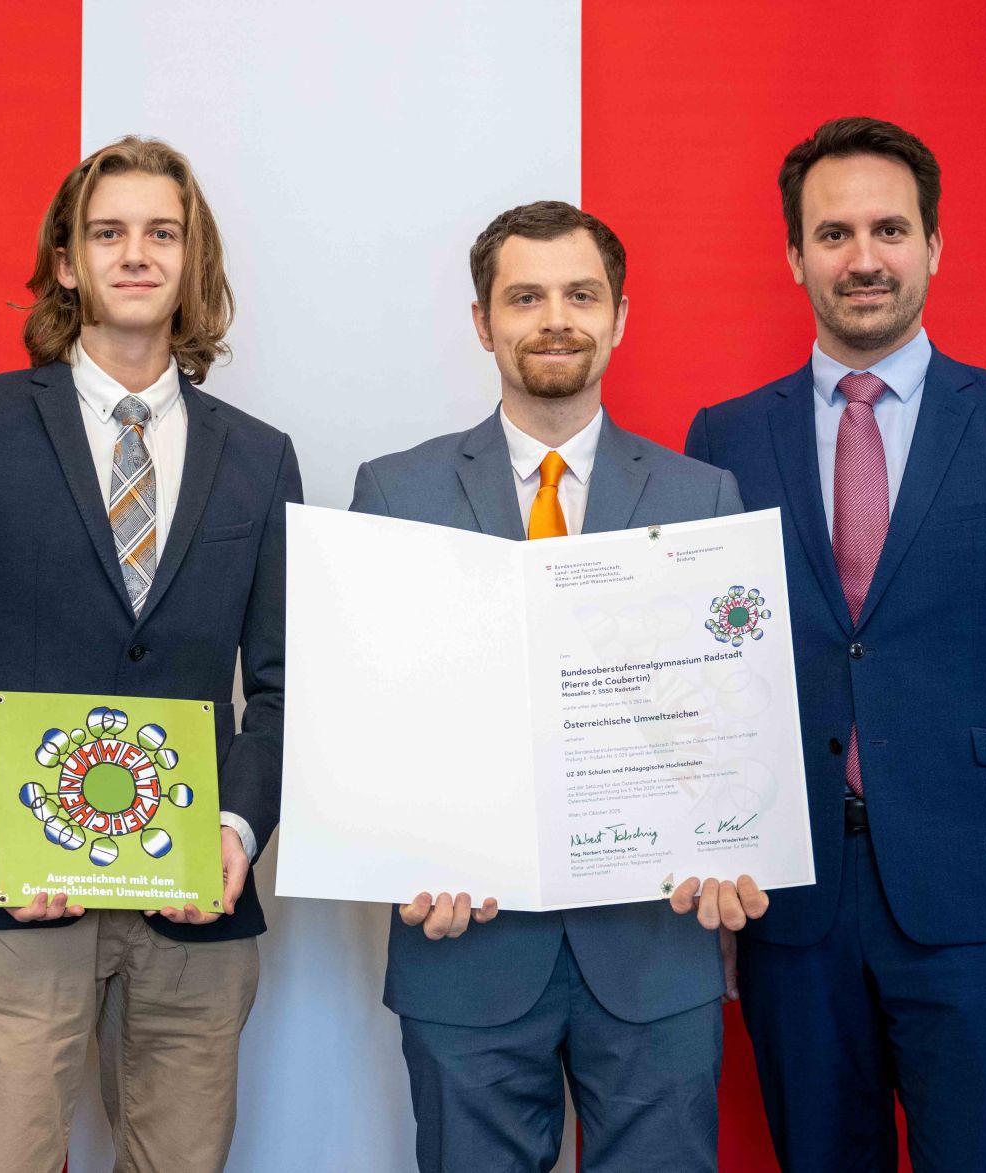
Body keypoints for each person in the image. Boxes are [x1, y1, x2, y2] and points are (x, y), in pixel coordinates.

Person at [685, 116, 986, 1172]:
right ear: (793, 256)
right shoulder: (722, 440)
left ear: (933, 245)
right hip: (791, 905)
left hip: (980, 904)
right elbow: (701, 686)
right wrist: (713, 870)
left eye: (888, 228)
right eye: (832, 234)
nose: (862, 257)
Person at [0, 136, 300, 1173]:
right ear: (65, 261)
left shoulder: (259, 456)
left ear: (191, 261)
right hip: (18, 886)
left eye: (162, 233)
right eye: (106, 232)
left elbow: (288, 687)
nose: (134, 254)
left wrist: (239, 829)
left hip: (195, 895)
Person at [349, 200, 766, 1173]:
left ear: (619, 315)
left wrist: (732, 834)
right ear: (481, 321)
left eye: (580, 295)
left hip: (654, 947)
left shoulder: (700, 498)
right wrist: (396, 857)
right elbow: (372, 718)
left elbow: (728, 719)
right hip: (462, 947)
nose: (554, 319)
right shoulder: (393, 492)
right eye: (524, 296)